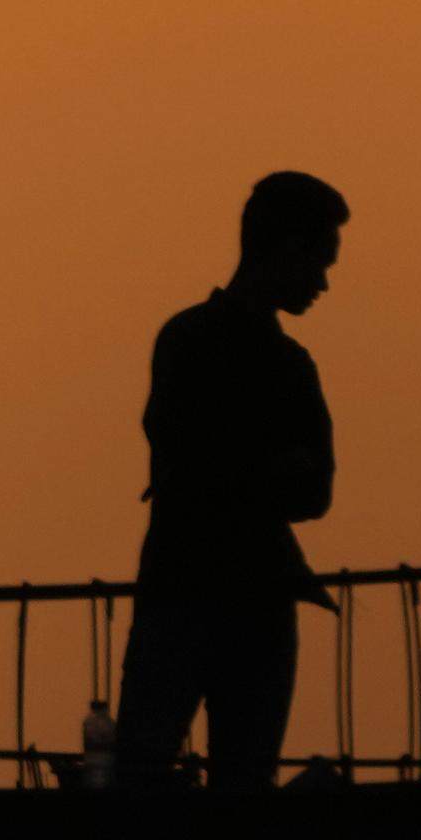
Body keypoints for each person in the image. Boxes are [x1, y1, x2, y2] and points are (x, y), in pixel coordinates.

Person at [111, 171, 347, 789]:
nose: (323, 282)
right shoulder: (239, 354)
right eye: (320, 261)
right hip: (222, 594)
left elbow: (308, 489)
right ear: (291, 248)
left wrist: (234, 465)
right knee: (218, 781)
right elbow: (196, 462)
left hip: (197, 586)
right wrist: (270, 469)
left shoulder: (198, 344)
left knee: (156, 775)